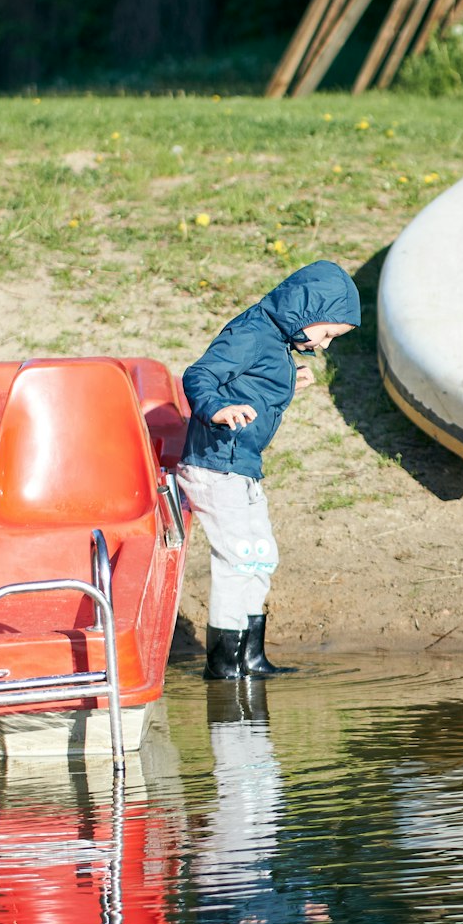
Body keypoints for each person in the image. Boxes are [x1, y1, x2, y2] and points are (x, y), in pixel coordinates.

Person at [177, 260, 360, 680]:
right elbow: (201, 374)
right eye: (327, 333)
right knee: (238, 559)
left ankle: (251, 657)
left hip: (241, 465)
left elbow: (253, 381)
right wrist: (217, 410)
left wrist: (289, 379)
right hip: (214, 463)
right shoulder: (252, 333)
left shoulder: (276, 342)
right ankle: (224, 664)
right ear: (307, 309)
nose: (325, 345)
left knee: (261, 557)